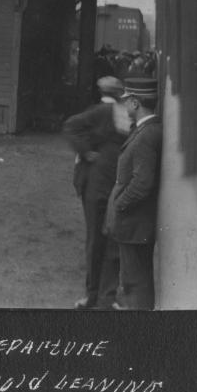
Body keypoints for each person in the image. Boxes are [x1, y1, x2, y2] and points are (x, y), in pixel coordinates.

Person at [63, 76, 129, 310]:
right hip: (98, 188)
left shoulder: (118, 112)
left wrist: (87, 150)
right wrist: (87, 152)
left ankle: (101, 296)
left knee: (102, 241)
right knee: (104, 241)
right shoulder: (104, 111)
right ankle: (99, 296)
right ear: (117, 94)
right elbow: (70, 126)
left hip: (108, 187)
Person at [103, 77, 163, 310]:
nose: (124, 105)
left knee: (135, 283)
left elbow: (142, 183)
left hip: (134, 225)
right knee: (132, 281)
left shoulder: (146, 136)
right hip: (135, 225)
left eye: (126, 100)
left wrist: (119, 204)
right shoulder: (147, 130)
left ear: (136, 103)